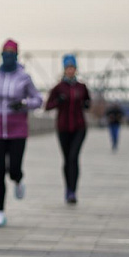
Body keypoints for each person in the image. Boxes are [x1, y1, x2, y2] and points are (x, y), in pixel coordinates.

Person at [0, 39, 43, 227]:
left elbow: (38, 100)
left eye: (11, 52)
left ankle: (18, 179)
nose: (8, 56)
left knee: (13, 169)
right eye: (5, 52)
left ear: (16, 55)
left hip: (17, 129)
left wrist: (23, 104)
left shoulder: (24, 77)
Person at [45, 54, 91, 204]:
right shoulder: (58, 88)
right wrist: (58, 101)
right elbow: (47, 106)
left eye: (72, 67)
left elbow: (87, 102)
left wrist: (86, 104)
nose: (70, 70)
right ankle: (68, 188)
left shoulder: (82, 87)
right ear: (64, 70)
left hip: (79, 127)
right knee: (66, 160)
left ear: (76, 69)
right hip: (63, 127)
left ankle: (73, 191)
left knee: (74, 158)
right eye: (68, 68)